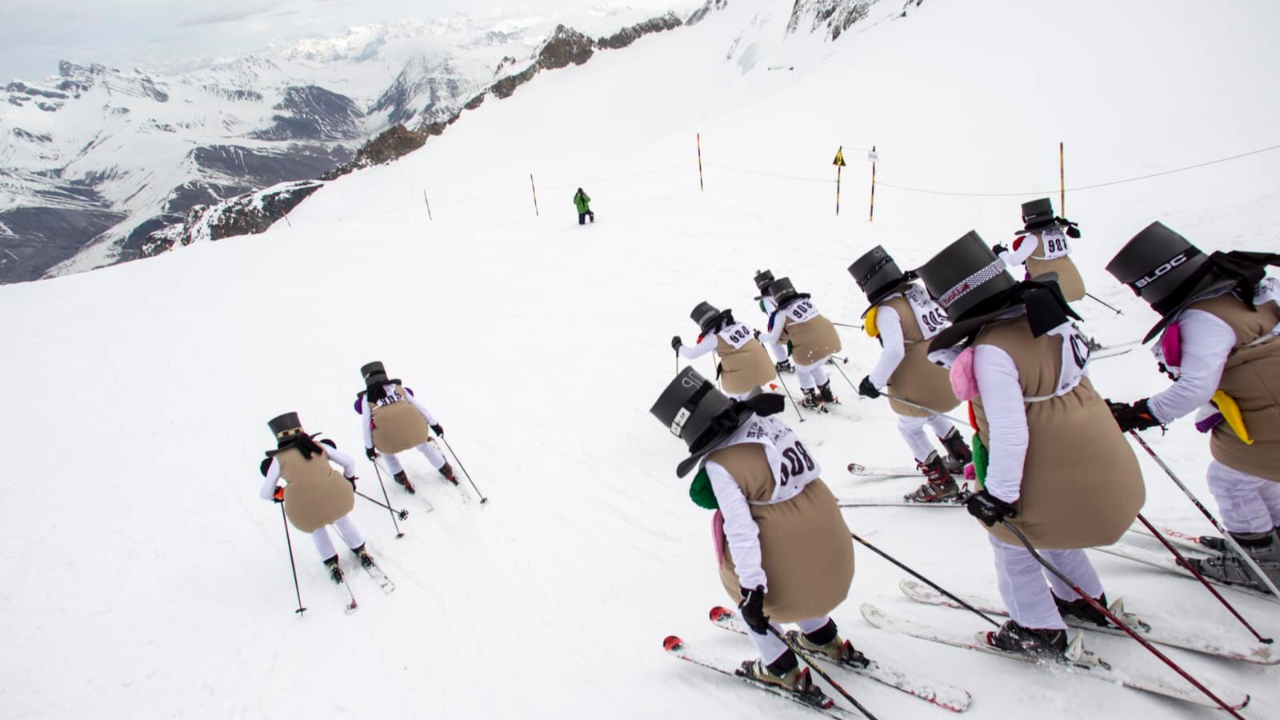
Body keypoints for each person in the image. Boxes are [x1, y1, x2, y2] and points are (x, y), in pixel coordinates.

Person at [917, 231, 1145, 657]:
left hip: (1057, 463)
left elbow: (1009, 431)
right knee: (1052, 520)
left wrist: (999, 498)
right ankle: (1083, 597)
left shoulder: (992, 351)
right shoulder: (1050, 318)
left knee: (1010, 536)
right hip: (1098, 456)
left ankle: (1035, 626)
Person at [650, 368, 856, 700]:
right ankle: (821, 635)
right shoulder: (772, 424)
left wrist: (752, 594)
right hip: (835, 549)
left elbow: (742, 532)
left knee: (741, 579)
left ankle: (780, 668)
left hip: (795, 569)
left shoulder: (720, 464)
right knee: (795, 556)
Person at [1105, 222, 1280, 591]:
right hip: (1269, 408)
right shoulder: (1249, 290)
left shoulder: (1205, 317)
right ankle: (1267, 539)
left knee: (1230, 479)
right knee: (1256, 474)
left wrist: (1140, 413)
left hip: (1269, 415)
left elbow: (1197, 387)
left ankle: (1260, 558)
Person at [848, 246, 971, 501]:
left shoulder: (887, 310)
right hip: (945, 374)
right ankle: (960, 454)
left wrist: (874, 382)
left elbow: (894, 352)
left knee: (910, 428)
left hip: (918, 382)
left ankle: (940, 482)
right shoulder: (917, 294)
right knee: (930, 412)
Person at [259, 412, 375, 584]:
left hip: (306, 508)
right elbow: (349, 461)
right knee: (342, 519)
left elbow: (264, 493)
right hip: (337, 497)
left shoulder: (278, 460)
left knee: (316, 530)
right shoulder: (318, 446)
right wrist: (349, 479)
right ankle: (361, 550)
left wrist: (279, 493)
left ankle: (331, 564)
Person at [355, 361, 456, 493]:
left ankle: (401, 477)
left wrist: (369, 449)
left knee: (386, 453)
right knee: (423, 443)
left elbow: (365, 426)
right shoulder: (397, 388)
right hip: (417, 433)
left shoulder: (366, 398)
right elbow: (420, 407)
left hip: (389, 443)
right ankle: (445, 469)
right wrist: (434, 424)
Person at [757, 277, 842, 409]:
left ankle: (810, 399)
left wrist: (759, 336)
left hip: (809, 350)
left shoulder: (782, 314)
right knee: (815, 365)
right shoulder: (807, 302)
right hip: (831, 342)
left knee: (802, 370)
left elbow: (774, 338)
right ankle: (826, 393)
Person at [672, 302, 776, 400]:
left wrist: (678, 346)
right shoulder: (737, 323)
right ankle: (754, 391)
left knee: (731, 397)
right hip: (768, 370)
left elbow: (692, 354)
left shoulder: (714, 338)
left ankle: (739, 401)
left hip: (744, 383)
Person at [995, 198, 1086, 303]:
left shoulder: (1033, 238)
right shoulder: (1058, 232)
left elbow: (1014, 261)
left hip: (1055, 291)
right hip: (1076, 285)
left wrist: (1001, 251)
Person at [752, 270, 794, 374]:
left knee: (773, 341)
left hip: (789, 327)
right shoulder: (785, 290)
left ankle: (783, 362)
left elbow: (776, 316)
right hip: (800, 321)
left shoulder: (766, 301)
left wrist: (760, 336)